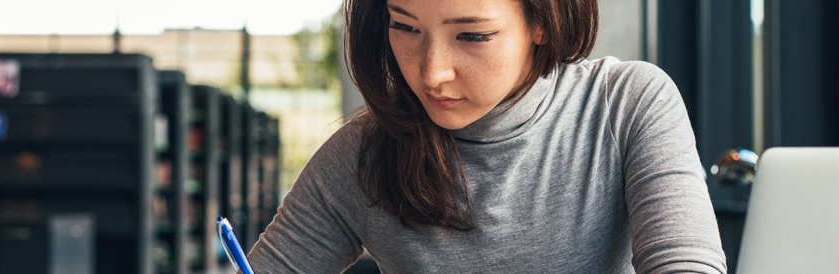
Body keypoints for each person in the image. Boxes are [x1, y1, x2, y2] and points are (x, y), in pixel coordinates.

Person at [247, 0, 727, 272]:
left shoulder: (627, 105)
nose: (432, 73)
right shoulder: (362, 153)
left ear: (543, 21)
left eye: (472, 36)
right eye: (404, 26)